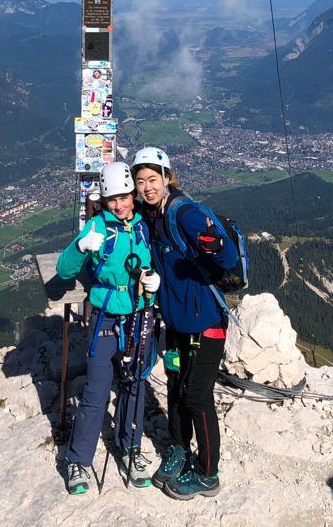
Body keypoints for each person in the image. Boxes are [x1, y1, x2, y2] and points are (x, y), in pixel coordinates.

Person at [132, 147, 238, 500]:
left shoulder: (184, 213)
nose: (147, 187)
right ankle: (178, 448)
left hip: (207, 321)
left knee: (197, 395)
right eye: (140, 181)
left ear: (166, 177)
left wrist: (213, 244)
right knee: (176, 386)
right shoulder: (151, 216)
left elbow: (227, 255)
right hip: (177, 322)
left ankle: (208, 473)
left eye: (153, 179)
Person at [56, 161, 161, 495]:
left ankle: (130, 449)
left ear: (133, 195)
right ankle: (78, 459)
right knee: (97, 391)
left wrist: (154, 280)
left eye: (124, 197)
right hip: (106, 317)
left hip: (139, 315)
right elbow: (63, 268)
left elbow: (152, 262)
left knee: (135, 384)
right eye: (112, 199)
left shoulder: (143, 227)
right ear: (104, 200)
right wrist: (81, 246)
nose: (119, 205)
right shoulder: (98, 227)